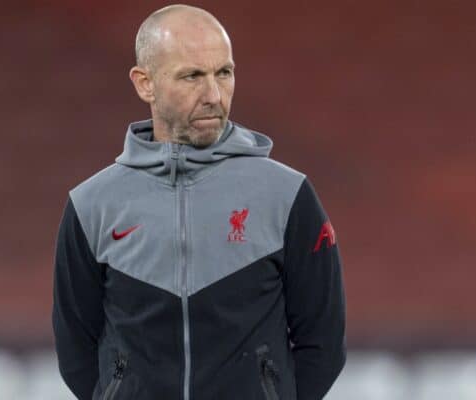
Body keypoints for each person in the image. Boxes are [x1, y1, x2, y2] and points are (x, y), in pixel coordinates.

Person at [52, 4, 346, 400]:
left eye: (223, 73)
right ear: (145, 84)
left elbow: (323, 343)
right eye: (192, 76)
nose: (213, 94)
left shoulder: (287, 196)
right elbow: (75, 350)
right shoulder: (92, 206)